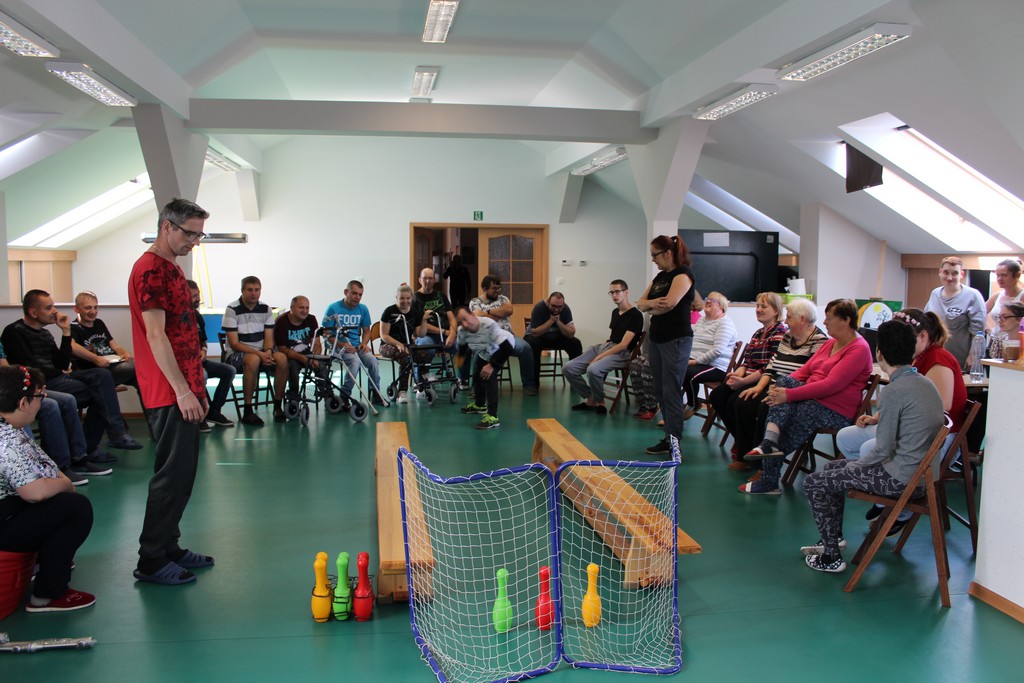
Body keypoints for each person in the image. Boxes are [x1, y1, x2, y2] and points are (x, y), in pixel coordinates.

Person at [800, 320, 944, 573]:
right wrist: (851, 467)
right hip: (920, 477)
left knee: (814, 482)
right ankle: (833, 539)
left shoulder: (894, 390)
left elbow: (883, 449)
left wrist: (855, 466)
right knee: (832, 469)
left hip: (900, 480)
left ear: (880, 353)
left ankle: (831, 557)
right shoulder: (925, 383)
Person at [129, 197, 214, 586]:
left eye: (199, 235)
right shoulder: (149, 270)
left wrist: (197, 387)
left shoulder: (172, 268)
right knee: (170, 476)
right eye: (190, 234)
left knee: (183, 476)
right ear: (167, 226)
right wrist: (181, 390)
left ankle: (169, 546)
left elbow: (184, 333)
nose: (194, 241)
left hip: (185, 387)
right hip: (166, 391)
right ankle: (150, 560)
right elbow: (156, 335)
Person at [836, 308, 968, 530]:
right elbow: (906, 400)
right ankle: (884, 495)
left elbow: (939, 407)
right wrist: (878, 418)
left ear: (923, 336)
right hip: (910, 427)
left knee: (870, 448)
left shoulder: (939, 359)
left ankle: (899, 505)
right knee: (846, 437)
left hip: (936, 437)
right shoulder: (916, 358)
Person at [739, 299, 873, 495]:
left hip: (834, 409)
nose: (824, 323)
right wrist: (779, 389)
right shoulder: (830, 343)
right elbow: (804, 371)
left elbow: (831, 385)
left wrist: (789, 395)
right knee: (783, 384)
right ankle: (769, 444)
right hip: (812, 397)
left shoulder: (859, 348)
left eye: (829, 318)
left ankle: (769, 475)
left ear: (845, 320)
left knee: (794, 416)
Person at [0, 365, 95, 613]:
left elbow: (43, 467)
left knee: (56, 503)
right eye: (39, 396)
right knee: (75, 508)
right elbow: (34, 492)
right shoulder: (8, 441)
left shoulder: (10, 429)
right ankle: (48, 594)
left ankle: (44, 563)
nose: (42, 402)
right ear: (23, 402)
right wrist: (65, 484)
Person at [1, 290, 142, 458]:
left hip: (59, 377)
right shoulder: (14, 331)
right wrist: (61, 371)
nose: (54, 311)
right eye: (49, 307)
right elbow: (31, 368)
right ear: (33, 312)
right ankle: (95, 446)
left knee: (103, 377)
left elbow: (61, 363)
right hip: (44, 383)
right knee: (102, 392)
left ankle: (107, 438)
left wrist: (66, 332)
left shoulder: (45, 333)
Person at [721, 298, 827, 471]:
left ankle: (761, 466)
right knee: (743, 401)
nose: (786, 321)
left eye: (789, 317)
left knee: (764, 407)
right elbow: (772, 366)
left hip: (793, 390)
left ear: (802, 319)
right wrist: (758, 387)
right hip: (773, 383)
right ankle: (745, 455)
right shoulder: (788, 336)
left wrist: (781, 389)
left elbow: (812, 376)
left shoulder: (819, 341)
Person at [707, 292, 787, 464]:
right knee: (717, 396)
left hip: (764, 381)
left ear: (776, 310)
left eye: (763, 306)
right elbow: (747, 361)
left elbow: (770, 367)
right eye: (757, 306)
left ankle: (745, 452)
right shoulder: (758, 333)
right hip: (748, 378)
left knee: (737, 402)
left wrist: (743, 382)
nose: (758, 309)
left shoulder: (780, 332)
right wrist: (738, 373)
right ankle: (744, 440)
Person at [636, 234, 696, 455]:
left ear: (668, 253)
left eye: (655, 255)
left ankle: (674, 440)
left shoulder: (683, 275)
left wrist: (650, 307)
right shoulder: (661, 277)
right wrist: (652, 304)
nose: (653, 259)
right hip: (657, 338)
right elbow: (640, 303)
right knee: (660, 389)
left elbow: (670, 303)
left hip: (676, 339)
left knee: (671, 391)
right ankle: (668, 437)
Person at [563, 280, 643, 414]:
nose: (614, 295)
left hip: (622, 352)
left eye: (617, 291)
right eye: (611, 292)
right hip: (607, 346)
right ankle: (591, 398)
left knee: (593, 369)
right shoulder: (615, 312)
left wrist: (599, 357)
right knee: (568, 368)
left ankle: (599, 402)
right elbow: (613, 337)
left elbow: (623, 345)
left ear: (626, 292)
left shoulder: (635, 315)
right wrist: (600, 350)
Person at [222, 276, 289, 425]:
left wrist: (269, 351)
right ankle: (248, 410)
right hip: (236, 355)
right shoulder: (232, 309)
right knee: (253, 360)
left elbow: (269, 337)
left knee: (282, 358)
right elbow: (234, 344)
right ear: (242, 291)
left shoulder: (266, 309)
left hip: (262, 352)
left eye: (257, 290)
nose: (253, 293)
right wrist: (259, 354)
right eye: (250, 290)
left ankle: (278, 406)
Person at [466, 275, 536, 395]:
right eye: (494, 288)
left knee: (525, 348)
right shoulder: (475, 301)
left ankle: (529, 385)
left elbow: (509, 310)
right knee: (480, 352)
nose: (497, 291)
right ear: (484, 288)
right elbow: (478, 316)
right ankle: (477, 388)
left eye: (499, 288)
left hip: (508, 337)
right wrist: (499, 313)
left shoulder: (503, 298)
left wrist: (487, 312)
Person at [323, 281, 384, 407]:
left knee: (373, 361)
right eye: (354, 293)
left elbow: (367, 331)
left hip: (356, 346)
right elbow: (326, 334)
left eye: (360, 295)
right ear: (346, 292)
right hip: (337, 346)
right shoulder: (333, 308)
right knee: (355, 362)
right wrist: (342, 345)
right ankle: (344, 395)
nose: (357, 297)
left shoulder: (363, 309)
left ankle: (375, 392)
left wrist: (364, 343)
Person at [455, 307, 515, 430]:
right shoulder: (462, 331)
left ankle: (493, 417)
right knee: (477, 375)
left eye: (465, 319)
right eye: (460, 322)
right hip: (484, 352)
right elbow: (462, 349)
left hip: (501, 348)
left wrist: (492, 365)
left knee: (489, 376)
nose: (464, 324)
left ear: (472, 315)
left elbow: (507, 349)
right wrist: (459, 367)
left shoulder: (488, 325)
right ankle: (479, 405)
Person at [187, 280, 236, 429]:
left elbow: (203, 341)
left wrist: (203, 350)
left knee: (229, 370)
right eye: (194, 296)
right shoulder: (177, 318)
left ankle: (214, 412)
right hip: (186, 365)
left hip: (200, 361)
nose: (198, 299)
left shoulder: (197, 316)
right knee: (203, 375)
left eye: (198, 295)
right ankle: (199, 416)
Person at [923, 256, 985, 371]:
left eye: (955, 273)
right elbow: (926, 323)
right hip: (935, 359)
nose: (949, 278)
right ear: (940, 272)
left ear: (962, 274)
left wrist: (973, 356)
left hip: (960, 361)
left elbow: (978, 333)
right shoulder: (935, 294)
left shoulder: (972, 296)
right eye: (946, 272)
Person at [682, 291, 738, 419]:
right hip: (698, 362)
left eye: (712, 300)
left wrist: (694, 361)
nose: (707, 301)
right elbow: (690, 336)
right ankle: (673, 410)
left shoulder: (725, 324)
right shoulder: (702, 320)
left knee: (686, 372)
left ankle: (693, 404)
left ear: (721, 307)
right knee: (673, 367)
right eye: (707, 298)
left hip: (716, 367)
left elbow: (717, 351)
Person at [69, 291, 137, 388]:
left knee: (141, 377)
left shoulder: (99, 323)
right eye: (88, 308)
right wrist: (96, 359)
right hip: (94, 371)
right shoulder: (73, 327)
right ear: (76, 309)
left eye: (95, 307)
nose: (93, 311)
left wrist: (125, 353)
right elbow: (72, 346)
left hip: (112, 365)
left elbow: (115, 346)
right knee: (136, 366)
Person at [525, 292, 584, 391]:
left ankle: (575, 382)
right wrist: (551, 321)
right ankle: (533, 385)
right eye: (554, 306)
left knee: (575, 343)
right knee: (533, 343)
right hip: (539, 338)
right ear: (548, 302)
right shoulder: (539, 308)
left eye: (560, 307)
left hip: (556, 338)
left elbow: (571, 333)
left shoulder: (565, 309)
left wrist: (558, 322)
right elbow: (534, 332)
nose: (556, 309)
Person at [379, 285, 428, 404]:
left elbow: (420, 334)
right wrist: (398, 344)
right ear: (397, 298)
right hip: (387, 345)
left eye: (407, 298)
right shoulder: (389, 311)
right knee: (406, 358)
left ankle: (420, 385)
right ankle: (402, 391)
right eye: (402, 298)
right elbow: (384, 335)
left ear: (411, 298)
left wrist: (424, 320)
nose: (405, 301)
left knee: (423, 354)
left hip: (407, 345)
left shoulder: (415, 313)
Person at [414, 268, 458, 393]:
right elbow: (420, 324)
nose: (428, 281)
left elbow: (452, 318)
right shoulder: (415, 298)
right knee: (426, 347)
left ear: (434, 280)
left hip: (446, 334)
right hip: (426, 335)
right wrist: (444, 332)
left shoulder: (441, 296)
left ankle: (462, 379)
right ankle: (421, 381)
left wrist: (452, 334)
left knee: (462, 345)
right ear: (420, 280)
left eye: (430, 278)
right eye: (425, 278)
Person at [274, 296, 320, 405]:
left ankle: (327, 394)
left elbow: (317, 343)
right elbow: (282, 349)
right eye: (301, 308)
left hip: (308, 354)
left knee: (322, 365)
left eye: (307, 308)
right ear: (292, 308)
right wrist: (302, 358)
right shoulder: (281, 321)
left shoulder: (311, 319)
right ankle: (293, 397)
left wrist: (314, 357)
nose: (305, 311)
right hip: (290, 356)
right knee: (293, 367)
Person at [984, 258, 1024, 332]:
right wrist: (987, 328)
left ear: (1017, 275)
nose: (999, 279)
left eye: (1004, 275)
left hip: (1015, 338)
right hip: (995, 338)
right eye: (997, 275)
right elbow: (980, 313)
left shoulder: (1022, 296)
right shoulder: (996, 296)